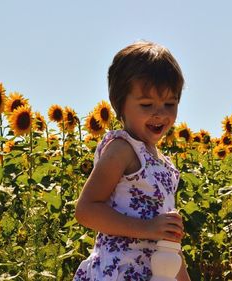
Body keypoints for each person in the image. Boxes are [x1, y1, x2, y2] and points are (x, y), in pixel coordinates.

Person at [74, 41, 191, 281]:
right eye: (146, 105)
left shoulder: (165, 166)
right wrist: (147, 229)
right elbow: (86, 210)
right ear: (121, 105)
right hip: (118, 272)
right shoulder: (122, 149)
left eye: (170, 104)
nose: (160, 113)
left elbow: (169, 243)